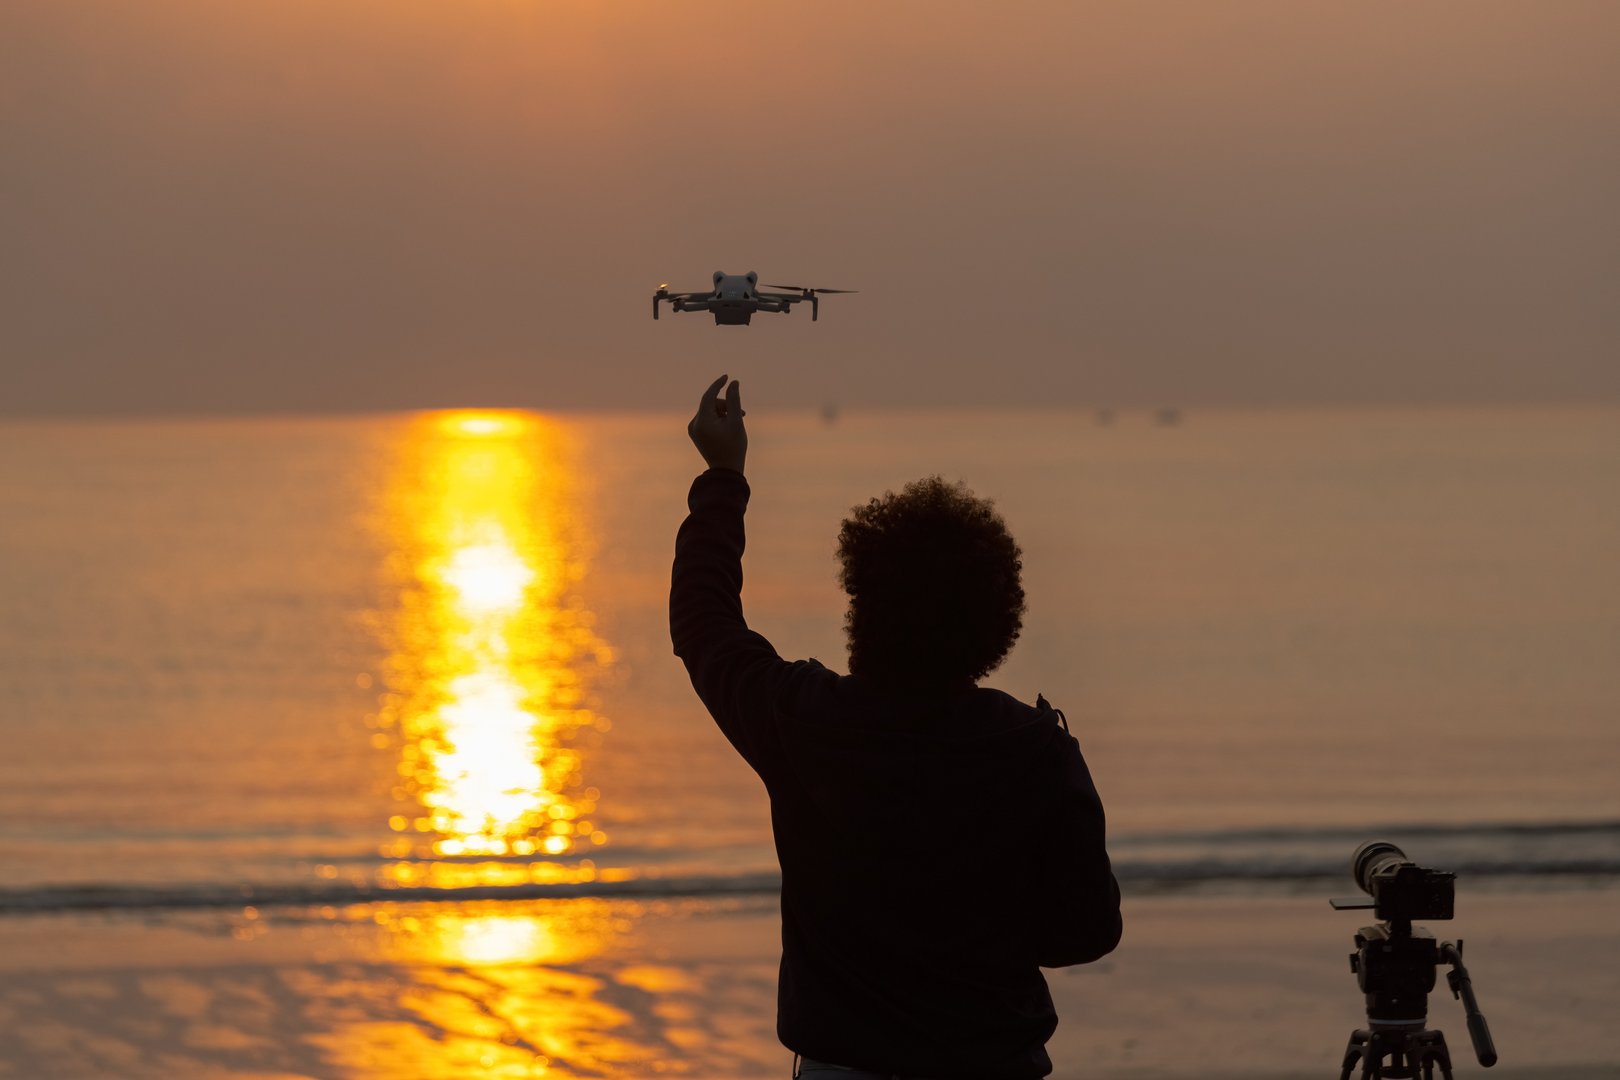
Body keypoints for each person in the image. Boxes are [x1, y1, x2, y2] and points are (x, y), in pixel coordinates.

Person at [671, 376, 1121, 1080]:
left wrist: (724, 477)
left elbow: (704, 624)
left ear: (863, 603)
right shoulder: (1033, 749)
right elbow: (1085, 932)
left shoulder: (802, 719)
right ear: (999, 618)